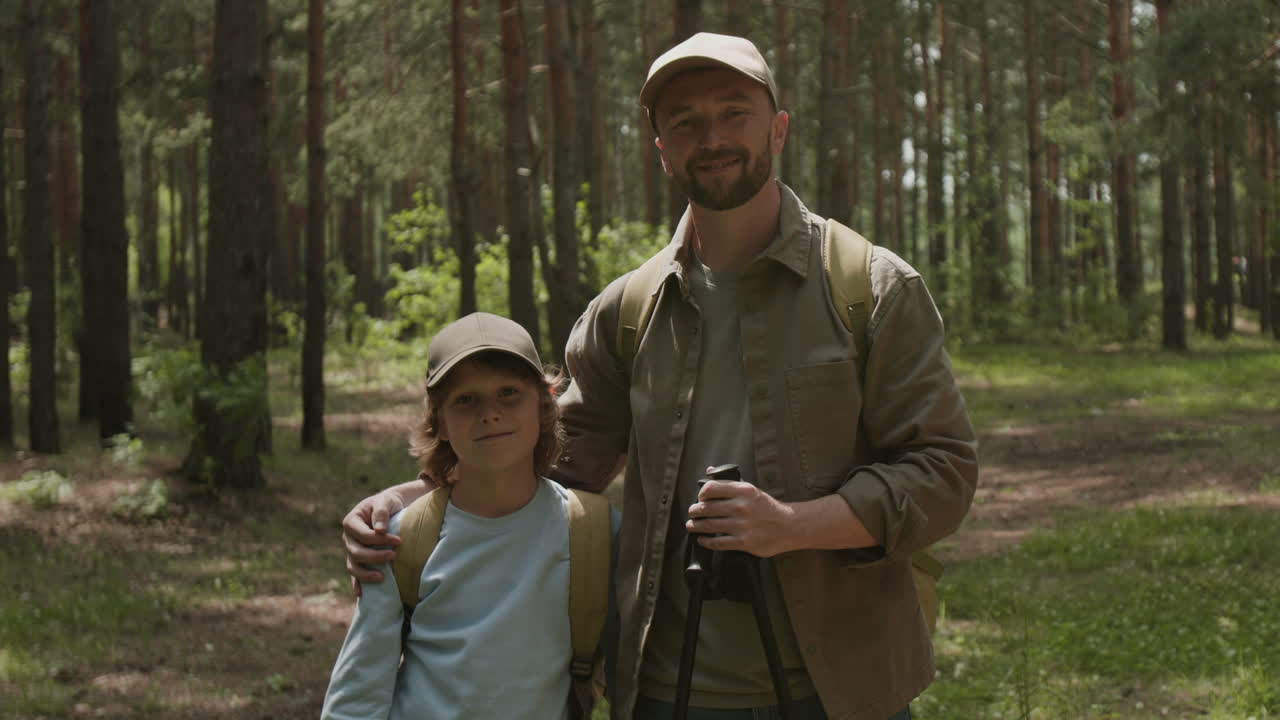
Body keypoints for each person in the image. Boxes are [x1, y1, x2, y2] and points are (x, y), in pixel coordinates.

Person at [343, 33, 978, 720]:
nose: (713, 136)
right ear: (662, 151)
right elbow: (555, 461)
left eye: (735, 112)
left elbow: (943, 472)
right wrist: (412, 499)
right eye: (685, 122)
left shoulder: (871, 289)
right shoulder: (627, 311)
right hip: (668, 687)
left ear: (779, 128)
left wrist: (793, 525)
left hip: (845, 689)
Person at [322, 312, 612, 720]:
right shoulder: (400, 540)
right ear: (439, 421)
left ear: (546, 403)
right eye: (465, 400)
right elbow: (358, 693)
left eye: (509, 392)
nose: (489, 413)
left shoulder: (593, 533)